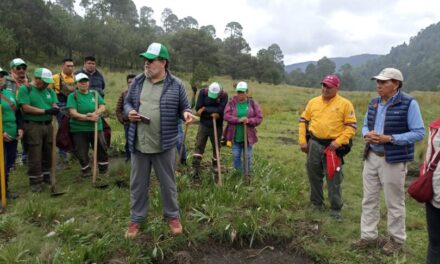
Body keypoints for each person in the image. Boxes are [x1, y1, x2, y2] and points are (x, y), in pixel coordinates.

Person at [123, 42, 192, 239]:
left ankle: (172, 216)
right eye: (145, 60)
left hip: (164, 144)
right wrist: (130, 112)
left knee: (168, 183)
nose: (146, 63)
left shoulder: (176, 84)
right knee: (138, 183)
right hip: (139, 143)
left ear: (163, 62)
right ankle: (137, 219)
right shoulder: (137, 81)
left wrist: (186, 114)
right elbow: (127, 102)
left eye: (151, 60)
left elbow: (184, 107)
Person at [353, 68, 425, 254]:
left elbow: (419, 132)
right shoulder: (374, 102)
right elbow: (365, 125)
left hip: (393, 160)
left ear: (396, 84)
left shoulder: (409, 103)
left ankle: (396, 240)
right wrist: (366, 133)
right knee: (369, 199)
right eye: (377, 81)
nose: (378, 85)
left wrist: (390, 138)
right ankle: (368, 236)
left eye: (383, 82)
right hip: (371, 157)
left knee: (394, 202)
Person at [298, 75, 357, 221]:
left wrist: (338, 142)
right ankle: (316, 203)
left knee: (333, 177)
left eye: (329, 86)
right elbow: (303, 121)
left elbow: (351, 127)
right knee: (313, 174)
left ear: (337, 88)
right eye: (323, 85)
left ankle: (335, 208)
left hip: (333, 146)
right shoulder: (313, 102)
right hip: (314, 142)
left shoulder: (345, 104)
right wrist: (302, 141)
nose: (325, 89)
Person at [17, 68, 59, 193]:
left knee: (48, 150)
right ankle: (35, 180)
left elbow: (54, 104)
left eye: (48, 82)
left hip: (48, 124)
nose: (46, 84)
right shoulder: (25, 89)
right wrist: (45, 111)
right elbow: (25, 107)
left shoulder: (50, 91)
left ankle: (47, 175)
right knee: (35, 152)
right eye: (44, 81)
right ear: (36, 79)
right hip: (32, 125)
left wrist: (55, 108)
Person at [66, 73, 108, 178]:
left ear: (89, 82)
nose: (84, 83)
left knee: (101, 147)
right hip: (79, 129)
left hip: (96, 127)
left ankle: (103, 169)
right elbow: (73, 113)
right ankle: (86, 170)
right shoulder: (73, 96)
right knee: (81, 151)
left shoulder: (94, 93)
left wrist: (96, 113)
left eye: (85, 81)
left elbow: (102, 106)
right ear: (76, 84)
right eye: (81, 82)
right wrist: (87, 117)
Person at [224, 81, 263, 185]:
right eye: (238, 92)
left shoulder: (252, 104)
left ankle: (247, 177)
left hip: (248, 137)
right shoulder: (231, 103)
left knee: (247, 157)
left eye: (242, 92)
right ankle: (238, 175)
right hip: (235, 136)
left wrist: (249, 120)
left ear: (247, 92)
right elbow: (226, 116)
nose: (240, 94)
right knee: (236, 156)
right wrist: (238, 120)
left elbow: (259, 118)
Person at [191, 82, 228, 179]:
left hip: (217, 125)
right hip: (204, 124)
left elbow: (220, 110)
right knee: (199, 144)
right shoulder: (203, 92)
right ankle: (195, 167)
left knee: (216, 146)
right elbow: (198, 108)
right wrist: (210, 110)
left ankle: (215, 166)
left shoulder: (224, 95)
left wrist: (205, 109)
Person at [0, 67, 23, 199]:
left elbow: (18, 113)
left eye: (2, 76)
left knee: (8, 164)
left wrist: (20, 127)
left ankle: (5, 190)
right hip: (1, 136)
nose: (1, 78)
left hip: (12, 136)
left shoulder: (9, 94)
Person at [421, 118, 440, 263]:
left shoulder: (436, 126)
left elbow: (427, 159)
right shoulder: (435, 126)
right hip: (434, 191)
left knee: (435, 244)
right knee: (435, 243)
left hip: (434, 190)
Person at [50, 58, 76, 162]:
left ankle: (73, 150)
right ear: (62, 66)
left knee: (74, 126)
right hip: (61, 104)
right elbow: (50, 92)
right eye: (68, 66)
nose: (70, 68)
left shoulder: (77, 78)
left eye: (72, 66)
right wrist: (54, 104)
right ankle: (63, 152)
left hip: (73, 104)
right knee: (63, 127)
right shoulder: (55, 78)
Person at [115, 74, 136, 161]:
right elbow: (118, 109)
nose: (131, 84)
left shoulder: (142, 94)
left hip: (139, 122)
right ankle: (128, 158)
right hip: (128, 123)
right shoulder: (124, 94)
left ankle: (137, 159)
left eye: (133, 82)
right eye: (129, 82)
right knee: (128, 141)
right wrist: (123, 120)